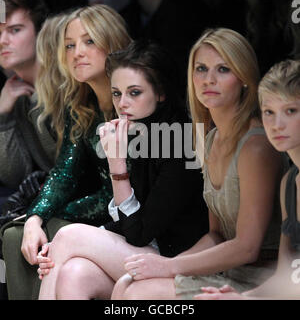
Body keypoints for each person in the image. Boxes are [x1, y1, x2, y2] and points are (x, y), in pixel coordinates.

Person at [111, 28, 287, 300]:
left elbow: (247, 247)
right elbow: (216, 234)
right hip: (227, 268)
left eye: (223, 70)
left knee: (137, 294)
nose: (209, 80)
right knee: (127, 286)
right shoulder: (210, 138)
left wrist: (170, 266)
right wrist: (169, 268)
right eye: (201, 69)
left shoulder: (256, 144)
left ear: (243, 78)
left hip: (262, 276)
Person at [36, 40, 208, 300]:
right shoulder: (139, 130)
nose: (122, 103)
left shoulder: (182, 142)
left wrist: (117, 164)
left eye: (134, 92)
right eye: (117, 93)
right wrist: (63, 249)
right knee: (74, 273)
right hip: (147, 250)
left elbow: (138, 233)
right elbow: (125, 223)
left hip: (179, 260)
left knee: (67, 236)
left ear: (160, 93)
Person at [2, 4, 132, 300]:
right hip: (101, 216)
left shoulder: (134, 104)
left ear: (112, 42)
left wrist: (53, 215)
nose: (77, 53)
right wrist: (35, 217)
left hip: (135, 223)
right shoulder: (82, 107)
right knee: (16, 233)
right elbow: (63, 173)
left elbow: (127, 189)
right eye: (70, 45)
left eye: (89, 41)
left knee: (57, 231)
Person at [195, 59, 300, 300]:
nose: (276, 125)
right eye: (269, 113)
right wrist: (243, 298)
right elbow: (287, 275)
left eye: (290, 111)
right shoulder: (290, 184)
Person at [0, 0, 55, 209]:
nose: (3, 40)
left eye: (15, 30)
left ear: (40, 34)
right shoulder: (15, 92)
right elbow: (15, 177)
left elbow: (70, 166)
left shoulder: (66, 83)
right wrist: (2, 117)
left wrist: (37, 102)